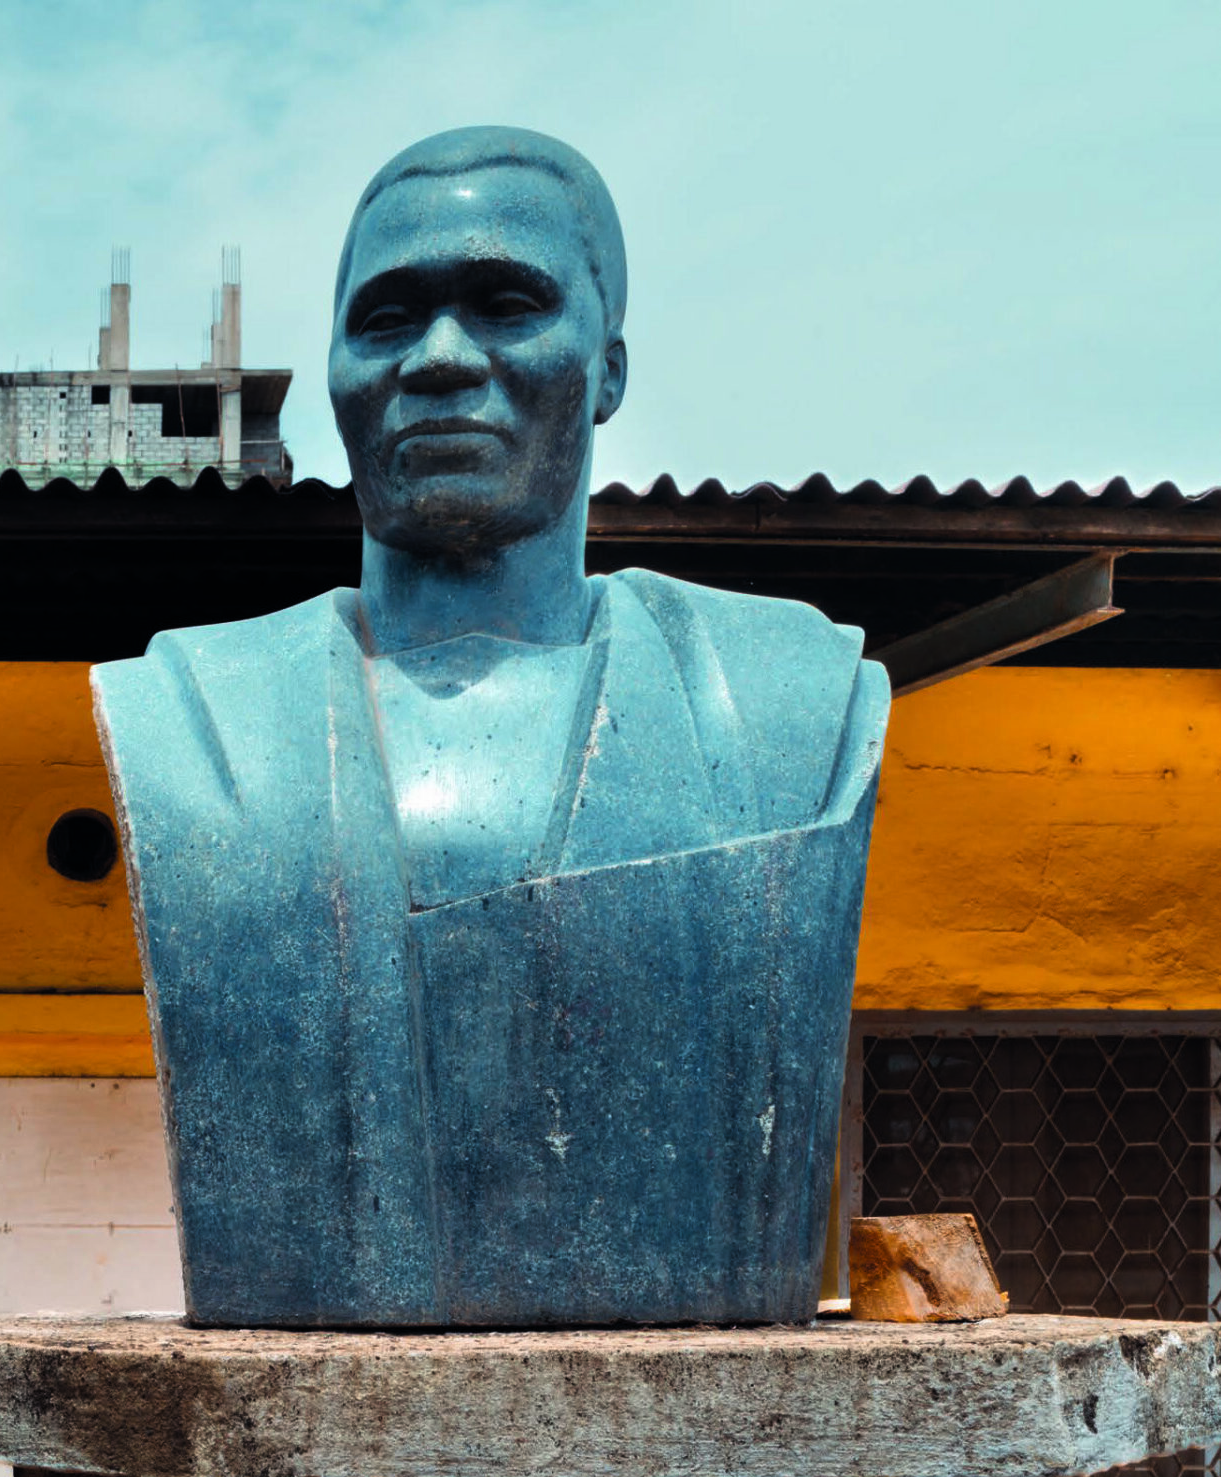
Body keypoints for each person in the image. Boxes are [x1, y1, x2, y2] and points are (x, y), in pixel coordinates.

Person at [95, 128, 888, 1327]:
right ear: (334, 374)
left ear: (607, 367)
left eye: (506, 304)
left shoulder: (782, 703)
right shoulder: (198, 714)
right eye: (386, 319)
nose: (440, 359)